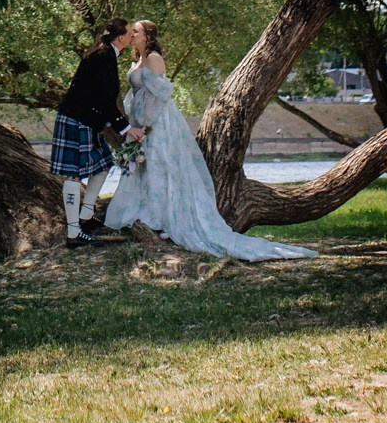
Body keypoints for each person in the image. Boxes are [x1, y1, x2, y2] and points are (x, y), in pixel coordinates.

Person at [102, 19, 314, 261]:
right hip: (140, 122)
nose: (131, 34)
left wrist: (146, 126)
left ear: (147, 36)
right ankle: (146, 213)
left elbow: (158, 96)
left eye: (136, 31)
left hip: (156, 122)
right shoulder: (139, 60)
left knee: (161, 167)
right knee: (143, 168)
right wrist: (134, 124)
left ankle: (161, 218)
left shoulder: (153, 59)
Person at [50, 18, 138, 247]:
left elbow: (102, 97)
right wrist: (126, 127)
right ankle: (73, 234)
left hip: (85, 120)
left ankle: (85, 218)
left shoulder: (106, 54)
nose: (132, 36)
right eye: (130, 33)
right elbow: (104, 98)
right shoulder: (103, 56)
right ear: (121, 37)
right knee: (73, 176)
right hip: (77, 120)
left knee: (103, 165)